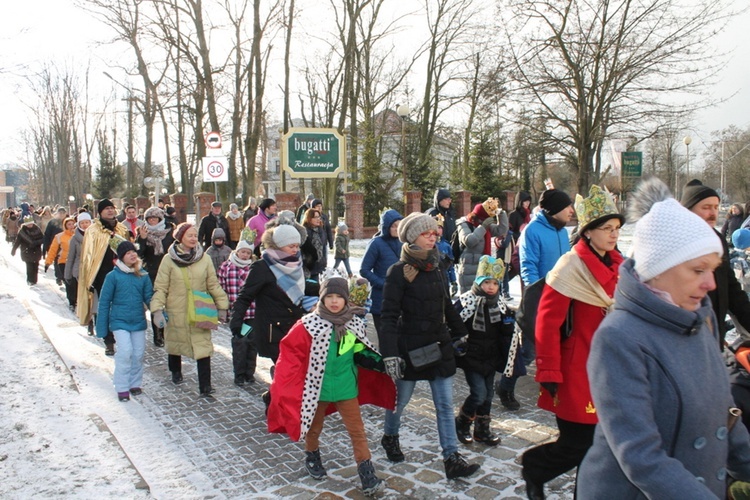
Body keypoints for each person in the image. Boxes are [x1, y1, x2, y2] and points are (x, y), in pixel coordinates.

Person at [577, 177, 750, 498]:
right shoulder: (619, 338)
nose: (711, 284)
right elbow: (641, 457)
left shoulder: (702, 317)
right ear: (659, 269)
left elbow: (725, 412)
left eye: (713, 269)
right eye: (698, 270)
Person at [521, 185, 624, 499]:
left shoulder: (622, 267)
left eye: (617, 228)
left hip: (613, 369)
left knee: (601, 448)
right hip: (577, 370)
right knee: (578, 443)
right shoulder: (571, 267)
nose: (613, 235)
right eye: (606, 228)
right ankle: (536, 466)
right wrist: (549, 372)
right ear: (588, 231)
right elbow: (547, 323)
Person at [268, 275, 395, 495]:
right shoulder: (308, 326)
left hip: (346, 388)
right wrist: (283, 384)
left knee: (357, 432)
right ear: (322, 299)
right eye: (330, 297)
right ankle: (312, 455)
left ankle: (367, 474)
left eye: (339, 297)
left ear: (346, 300)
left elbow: (352, 350)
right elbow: (291, 355)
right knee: (314, 429)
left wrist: (377, 362)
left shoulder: (352, 324)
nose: (334, 301)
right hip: (317, 390)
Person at [378, 212, 480, 480]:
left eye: (435, 233)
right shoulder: (399, 272)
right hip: (410, 349)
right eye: (427, 234)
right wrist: (389, 354)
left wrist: (460, 334)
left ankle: (451, 457)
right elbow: (388, 316)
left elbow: (447, 304)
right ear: (413, 237)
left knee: (445, 406)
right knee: (399, 402)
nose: (434, 237)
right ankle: (390, 436)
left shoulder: (437, 267)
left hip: (440, 345)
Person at [499, 189, 574, 410]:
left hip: (563, 297)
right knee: (528, 351)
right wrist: (536, 297)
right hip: (540, 299)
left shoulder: (562, 232)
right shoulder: (533, 230)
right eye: (567, 206)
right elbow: (527, 266)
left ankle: (558, 390)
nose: (571, 210)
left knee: (561, 346)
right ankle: (505, 385)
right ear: (554, 210)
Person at [150, 223, 229, 398]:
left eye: (195, 235)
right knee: (176, 343)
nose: (194, 238)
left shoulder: (204, 258)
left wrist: (222, 306)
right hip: (176, 308)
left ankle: (205, 386)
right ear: (180, 238)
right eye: (189, 235)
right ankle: (176, 371)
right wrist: (156, 310)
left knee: (203, 347)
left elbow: (213, 284)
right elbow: (161, 287)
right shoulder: (168, 260)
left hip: (200, 309)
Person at [230, 216, 319, 368]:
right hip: (272, 330)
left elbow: (301, 286)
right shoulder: (262, 267)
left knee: (291, 368)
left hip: (293, 325)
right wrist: (236, 321)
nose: (295, 250)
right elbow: (245, 296)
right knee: (286, 367)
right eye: (291, 246)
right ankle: (276, 389)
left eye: (297, 246)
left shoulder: (295, 263)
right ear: (279, 244)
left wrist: (326, 287)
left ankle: (275, 390)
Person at [681, 179, 750, 348]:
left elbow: (731, 289)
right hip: (686, 337)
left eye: (715, 207)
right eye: (706, 207)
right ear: (688, 211)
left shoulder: (717, 239)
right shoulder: (678, 243)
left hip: (714, 335)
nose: (713, 213)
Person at [453, 255, 509, 448]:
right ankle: (461, 422)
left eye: (495, 283)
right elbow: (454, 322)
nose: (491, 287)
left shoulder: (499, 303)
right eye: (487, 282)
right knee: (479, 393)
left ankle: (482, 430)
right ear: (479, 282)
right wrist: (458, 343)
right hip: (472, 356)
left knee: (488, 396)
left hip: (491, 356)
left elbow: (504, 332)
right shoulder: (467, 300)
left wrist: (510, 326)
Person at [96, 240, 154, 402]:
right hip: (119, 321)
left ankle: (135, 383)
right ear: (121, 257)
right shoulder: (113, 276)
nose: (133, 255)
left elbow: (149, 298)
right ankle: (121, 386)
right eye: (128, 253)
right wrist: (101, 328)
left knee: (138, 353)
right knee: (125, 352)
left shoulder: (142, 275)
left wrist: (159, 313)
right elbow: (104, 302)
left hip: (138, 321)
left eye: (134, 252)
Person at [77, 199, 130, 356]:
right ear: (100, 212)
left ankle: (122, 337)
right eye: (106, 209)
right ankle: (109, 341)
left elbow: (129, 251)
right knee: (104, 309)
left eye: (112, 208)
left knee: (121, 307)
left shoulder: (122, 229)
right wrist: (89, 279)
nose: (110, 211)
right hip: (102, 276)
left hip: (121, 275)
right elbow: (87, 256)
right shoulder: (93, 231)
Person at [218, 238, 258, 386]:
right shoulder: (226, 267)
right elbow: (221, 287)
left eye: (248, 253)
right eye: (243, 252)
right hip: (236, 313)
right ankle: (239, 374)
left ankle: (250, 373)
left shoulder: (254, 268)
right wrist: (223, 307)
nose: (245, 255)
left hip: (252, 312)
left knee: (252, 344)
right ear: (237, 251)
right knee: (239, 344)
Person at [359, 209, 403, 334]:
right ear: (387, 226)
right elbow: (364, 269)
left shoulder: (404, 242)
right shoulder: (376, 243)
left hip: (400, 297)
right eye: (394, 226)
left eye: (400, 226)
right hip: (381, 298)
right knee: (385, 337)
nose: (397, 229)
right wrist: (383, 284)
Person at [136, 207, 175, 347]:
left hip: (170, 272)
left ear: (160, 219)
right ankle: (158, 334)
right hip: (151, 273)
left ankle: (171, 332)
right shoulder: (142, 232)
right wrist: (142, 239)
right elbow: (137, 255)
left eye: (155, 218)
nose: (152, 221)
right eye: (149, 218)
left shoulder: (170, 232)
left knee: (171, 303)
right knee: (156, 305)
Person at [455, 198, 509, 293]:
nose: (484, 221)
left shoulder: (485, 227)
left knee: (484, 301)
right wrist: (483, 227)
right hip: (469, 269)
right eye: (482, 219)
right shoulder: (464, 224)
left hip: (484, 268)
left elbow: (502, 230)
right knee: (470, 300)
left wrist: (501, 214)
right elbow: (469, 241)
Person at [44, 216, 77, 308]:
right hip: (64, 261)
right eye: (69, 224)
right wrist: (48, 262)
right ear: (65, 226)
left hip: (76, 262)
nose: (71, 226)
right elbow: (53, 250)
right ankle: (72, 301)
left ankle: (77, 299)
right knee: (69, 281)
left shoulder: (78, 235)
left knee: (76, 281)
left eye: (72, 224)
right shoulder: (59, 236)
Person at [64, 212, 92, 317]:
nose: (85, 225)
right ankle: (85, 316)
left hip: (94, 268)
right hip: (80, 270)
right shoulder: (74, 239)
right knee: (84, 294)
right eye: (82, 223)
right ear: (79, 224)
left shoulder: (95, 236)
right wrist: (68, 275)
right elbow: (70, 258)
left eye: (87, 222)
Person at [12, 215, 44, 286]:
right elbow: (18, 241)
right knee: (29, 266)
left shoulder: (37, 229)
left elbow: (42, 239)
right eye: (28, 224)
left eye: (31, 223)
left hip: (36, 250)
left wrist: (36, 242)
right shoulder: (22, 231)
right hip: (27, 251)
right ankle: (30, 280)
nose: (30, 225)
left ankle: (35, 280)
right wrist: (14, 250)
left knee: (35, 266)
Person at [43, 207, 68, 284]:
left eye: (63, 213)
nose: (61, 215)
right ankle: (59, 277)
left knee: (65, 262)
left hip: (66, 245)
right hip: (55, 245)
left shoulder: (68, 222)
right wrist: (46, 247)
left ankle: (65, 276)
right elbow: (47, 235)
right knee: (57, 262)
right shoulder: (52, 222)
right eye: (60, 213)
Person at [301, 208, 326, 281]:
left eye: (319, 217)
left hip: (319, 265)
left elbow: (323, 247)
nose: (318, 219)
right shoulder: (304, 231)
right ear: (309, 218)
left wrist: (324, 261)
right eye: (315, 217)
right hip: (307, 266)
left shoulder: (321, 230)